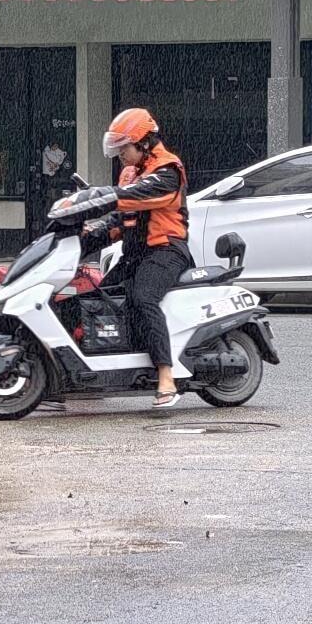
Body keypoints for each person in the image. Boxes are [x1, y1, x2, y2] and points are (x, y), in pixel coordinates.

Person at [101, 106, 192, 410]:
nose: (120, 155)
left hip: (166, 251)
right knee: (101, 296)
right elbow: (119, 220)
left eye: (124, 148)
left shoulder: (168, 169)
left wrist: (99, 197)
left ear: (143, 142)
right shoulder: (130, 173)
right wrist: (85, 231)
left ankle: (166, 376)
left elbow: (138, 197)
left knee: (143, 297)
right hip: (136, 254)